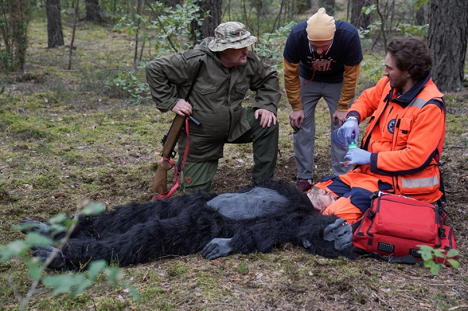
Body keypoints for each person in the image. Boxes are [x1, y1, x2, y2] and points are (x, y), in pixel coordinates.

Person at [310, 36, 446, 225]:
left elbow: (416, 158)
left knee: (330, 218)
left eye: (390, 68)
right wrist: (352, 119)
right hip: (367, 176)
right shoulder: (389, 86)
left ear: (409, 72)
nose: (384, 72)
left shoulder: (430, 106)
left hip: (399, 187)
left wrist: (369, 158)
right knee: (313, 199)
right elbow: (366, 100)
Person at [146, 22, 281, 192]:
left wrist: (267, 105)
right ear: (223, 48)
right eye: (239, 46)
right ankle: (185, 169)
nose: (246, 50)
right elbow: (154, 69)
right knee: (196, 197)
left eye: (246, 45)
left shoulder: (248, 61)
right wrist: (171, 102)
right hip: (201, 138)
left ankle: (262, 187)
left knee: (267, 124)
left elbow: (268, 78)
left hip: (235, 124)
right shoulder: (195, 61)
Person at [283, 7, 363, 192]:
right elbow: (290, 74)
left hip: (338, 80)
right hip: (307, 79)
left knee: (344, 126)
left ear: (333, 38)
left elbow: (352, 75)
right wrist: (296, 106)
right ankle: (304, 177)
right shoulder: (297, 35)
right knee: (300, 123)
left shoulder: (348, 35)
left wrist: (343, 106)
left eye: (324, 46)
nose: (319, 52)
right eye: (315, 46)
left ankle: (342, 177)